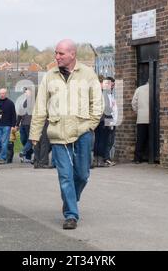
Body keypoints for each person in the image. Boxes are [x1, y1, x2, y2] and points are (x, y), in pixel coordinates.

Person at [30, 39, 103, 230]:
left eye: (61, 54)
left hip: (82, 131)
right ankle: (71, 214)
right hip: (57, 132)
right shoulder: (49, 76)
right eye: (56, 53)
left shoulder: (88, 74)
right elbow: (39, 107)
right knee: (65, 176)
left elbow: (97, 102)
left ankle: (71, 198)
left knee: (82, 174)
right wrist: (35, 133)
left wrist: (91, 126)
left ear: (72, 54)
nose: (57, 57)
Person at [94, 78, 117, 168]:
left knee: (98, 140)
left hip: (99, 119)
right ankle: (100, 160)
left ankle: (96, 160)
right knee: (103, 140)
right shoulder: (105, 93)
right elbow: (107, 107)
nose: (113, 86)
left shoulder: (101, 93)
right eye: (112, 84)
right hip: (104, 119)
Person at [0, 88, 16, 164]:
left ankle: (3, 158)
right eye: (1, 93)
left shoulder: (10, 103)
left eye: (3, 93)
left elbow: (13, 115)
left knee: (4, 142)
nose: (2, 95)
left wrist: (13, 125)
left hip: (7, 125)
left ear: (6, 94)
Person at [132, 80, 150, 163]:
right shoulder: (156, 88)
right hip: (153, 118)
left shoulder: (139, 89)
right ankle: (150, 157)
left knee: (140, 139)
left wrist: (138, 111)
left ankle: (137, 158)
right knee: (151, 139)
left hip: (141, 117)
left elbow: (133, 103)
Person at [16, 88, 34, 163]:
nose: (26, 94)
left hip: (31, 124)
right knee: (23, 140)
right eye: (25, 93)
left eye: (27, 93)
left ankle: (23, 151)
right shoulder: (24, 102)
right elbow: (20, 113)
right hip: (23, 124)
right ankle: (29, 154)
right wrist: (17, 124)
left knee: (30, 139)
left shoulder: (35, 102)